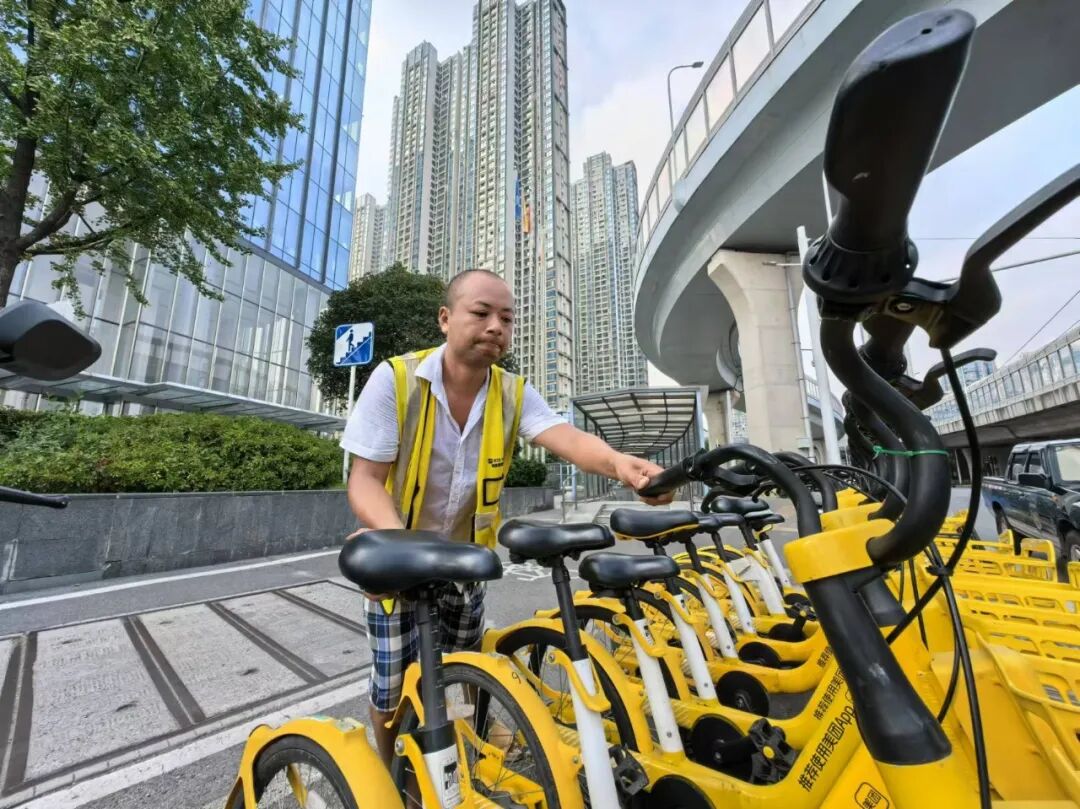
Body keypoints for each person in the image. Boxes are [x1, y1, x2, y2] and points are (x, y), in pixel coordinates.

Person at [339, 268, 674, 765]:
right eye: (481, 313)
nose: (496, 326)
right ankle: (393, 771)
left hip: (464, 562)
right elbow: (365, 478)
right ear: (445, 318)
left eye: (507, 318)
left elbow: (566, 437)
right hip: (398, 557)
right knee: (392, 685)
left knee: (467, 666)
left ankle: (468, 749)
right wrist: (395, 548)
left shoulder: (512, 391)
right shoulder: (397, 379)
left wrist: (620, 464)